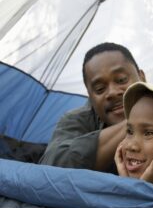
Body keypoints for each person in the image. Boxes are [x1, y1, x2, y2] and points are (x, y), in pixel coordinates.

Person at [39, 42, 145, 172]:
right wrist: (137, 122)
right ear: (90, 96)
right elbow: (51, 167)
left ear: (142, 78)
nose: (112, 92)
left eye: (121, 80)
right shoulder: (77, 119)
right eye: (100, 89)